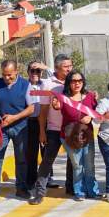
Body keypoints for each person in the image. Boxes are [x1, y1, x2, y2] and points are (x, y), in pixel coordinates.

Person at [0, 60, 34, 206]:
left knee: (21, 159)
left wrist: (15, 118)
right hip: (1, 129)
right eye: (4, 75)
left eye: (10, 75)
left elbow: (31, 108)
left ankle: (21, 188)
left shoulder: (26, 85)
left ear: (16, 71)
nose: (7, 78)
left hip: (21, 128)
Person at [29, 54, 72, 205]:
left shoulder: (73, 81)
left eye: (70, 66)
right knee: (47, 161)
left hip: (70, 128)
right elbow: (44, 110)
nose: (69, 69)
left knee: (73, 160)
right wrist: (42, 130)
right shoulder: (47, 84)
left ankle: (71, 187)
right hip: (53, 129)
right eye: (66, 66)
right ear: (58, 67)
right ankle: (39, 192)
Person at [54, 70, 99, 201]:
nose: (77, 83)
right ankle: (79, 191)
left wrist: (90, 117)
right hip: (70, 136)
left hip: (87, 136)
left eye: (80, 81)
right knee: (77, 165)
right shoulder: (63, 98)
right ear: (69, 83)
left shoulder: (90, 96)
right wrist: (55, 104)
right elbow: (57, 106)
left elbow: (97, 112)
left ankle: (92, 190)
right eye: (74, 81)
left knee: (89, 164)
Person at [24, 61, 46, 191]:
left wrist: (44, 67)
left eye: (38, 71)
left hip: (44, 122)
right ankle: (31, 180)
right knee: (31, 153)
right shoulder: (24, 85)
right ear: (28, 72)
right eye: (32, 71)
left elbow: (57, 78)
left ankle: (47, 178)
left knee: (46, 152)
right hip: (30, 122)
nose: (35, 74)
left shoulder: (45, 84)